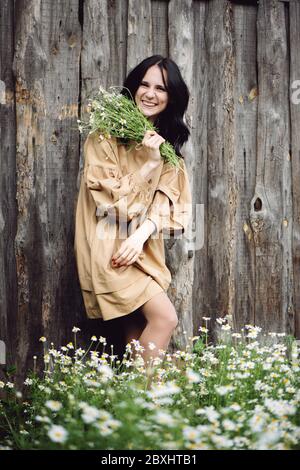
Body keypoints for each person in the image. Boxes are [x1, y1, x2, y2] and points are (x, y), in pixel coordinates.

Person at [74, 55, 192, 367]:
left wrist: (139, 237)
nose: (151, 94)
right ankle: (137, 405)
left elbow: (170, 205)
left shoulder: (169, 151)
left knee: (137, 336)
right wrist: (149, 164)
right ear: (133, 88)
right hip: (107, 247)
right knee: (165, 318)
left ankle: (137, 408)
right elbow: (111, 205)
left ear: (172, 97)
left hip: (140, 249)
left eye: (161, 88)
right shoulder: (104, 136)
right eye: (145, 84)